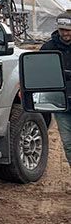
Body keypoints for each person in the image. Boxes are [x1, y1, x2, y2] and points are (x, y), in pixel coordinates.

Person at [40, 13, 71, 167]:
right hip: (61, 104)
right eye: (62, 29)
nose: (65, 33)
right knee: (68, 144)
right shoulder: (48, 48)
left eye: (68, 30)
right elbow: (38, 72)